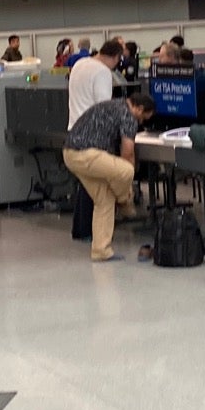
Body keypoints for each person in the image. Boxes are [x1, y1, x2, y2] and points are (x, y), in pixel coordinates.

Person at [62, 90, 154, 263]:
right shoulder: (128, 116)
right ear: (139, 108)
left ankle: (101, 250)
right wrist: (127, 188)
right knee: (126, 170)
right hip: (87, 154)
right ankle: (125, 201)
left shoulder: (112, 105)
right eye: (143, 118)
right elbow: (127, 153)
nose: (141, 122)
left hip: (69, 153)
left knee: (104, 199)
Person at [69, 36, 122, 128]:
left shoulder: (79, 64)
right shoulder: (103, 71)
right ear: (116, 57)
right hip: (93, 130)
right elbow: (104, 106)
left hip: (74, 127)